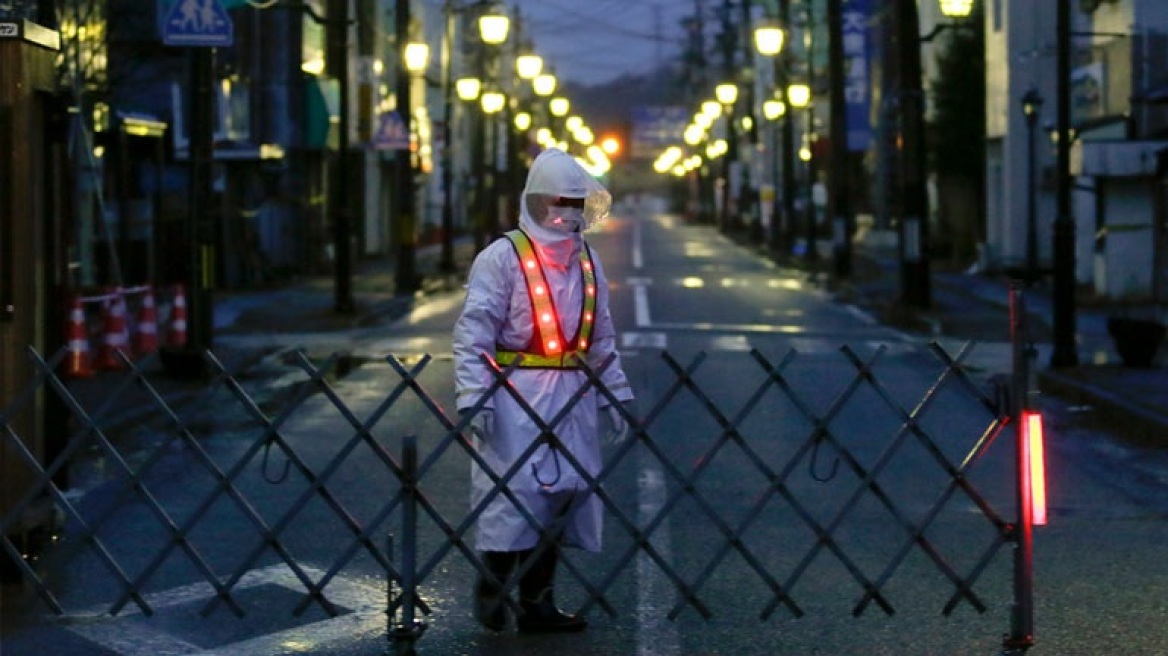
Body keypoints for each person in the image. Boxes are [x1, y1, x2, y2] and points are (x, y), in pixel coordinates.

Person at [452, 148, 634, 633]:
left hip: (573, 396)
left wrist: (617, 393)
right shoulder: (502, 257)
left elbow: (601, 339)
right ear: (533, 201)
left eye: (574, 203)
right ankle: (493, 586)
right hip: (516, 397)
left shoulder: (587, 260)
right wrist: (475, 397)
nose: (565, 213)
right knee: (513, 498)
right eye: (556, 202)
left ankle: (538, 602)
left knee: (563, 497)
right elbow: (474, 334)